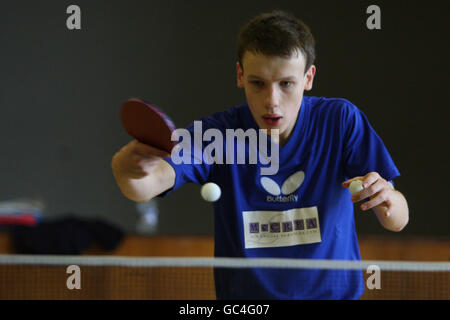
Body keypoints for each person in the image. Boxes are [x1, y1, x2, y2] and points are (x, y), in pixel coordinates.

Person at [112, 10, 409, 299]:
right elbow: (144, 187)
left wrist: (387, 200)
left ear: (308, 78)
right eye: (258, 83)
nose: (272, 101)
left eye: (286, 84)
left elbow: (397, 220)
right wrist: (128, 167)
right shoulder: (219, 134)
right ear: (240, 75)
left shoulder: (341, 120)